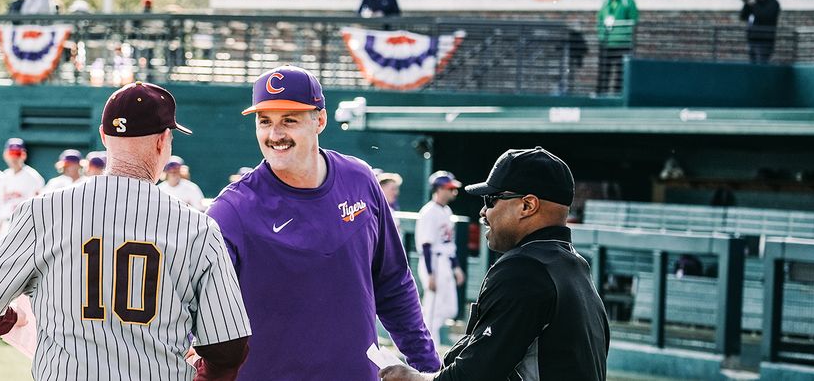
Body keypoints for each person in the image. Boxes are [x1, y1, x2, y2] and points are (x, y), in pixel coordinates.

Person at [0, 81, 252, 380]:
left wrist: (15, 320)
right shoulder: (197, 227)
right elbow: (228, 347)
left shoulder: (42, 211)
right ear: (163, 140)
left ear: (104, 136)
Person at [205, 66, 439, 379]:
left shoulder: (359, 179)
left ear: (320, 120)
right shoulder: (231, 211)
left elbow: (393, 283)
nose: (275, 135)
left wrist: (431, 368)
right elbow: (197, 310)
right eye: (265, 122)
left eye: (289, 120)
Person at [379, 147, 609, 381]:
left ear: (527, 206)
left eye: (491, 199)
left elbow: (472, 376)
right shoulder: (577, 266)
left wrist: (413, 379)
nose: (483, 211)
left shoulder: (524, 269)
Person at [416, 171, 465, 348]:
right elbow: (426, 245)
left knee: (449, 309)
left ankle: (429, 343)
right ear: (439, 189)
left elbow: (449, 244)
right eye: (449, 188)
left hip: (444, 261)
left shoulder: (446, 210)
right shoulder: (429, 211)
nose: (453, 191)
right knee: (432, 311)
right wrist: (430, 274)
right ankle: (427, 348)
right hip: (434, 262)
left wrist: (456, 267)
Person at [596, 0, 637, 95]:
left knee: (620, 73)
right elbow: (599, 19)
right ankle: (601, 95)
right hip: (606, 42)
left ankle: (617, 96)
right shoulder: (606, 1)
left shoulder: (627, 0)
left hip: (622, 43)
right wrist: (601, 35)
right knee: (604, 72)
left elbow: (633, 19)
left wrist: (622, 33)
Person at [0, 138, 45, 238]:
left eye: (17, 154)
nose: (14, 158)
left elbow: (38, 207)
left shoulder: (34, 177)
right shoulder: (4, 176)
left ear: (24, 155)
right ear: (5, 155)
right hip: (5, 224)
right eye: (11, 153)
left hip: (23, 225)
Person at [740, 0, 781, 64]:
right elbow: (743, 16)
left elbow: (764, 17)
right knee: (753, 64)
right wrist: (747, 4)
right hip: (753, 39)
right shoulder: (755, 3)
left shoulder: (773, 3)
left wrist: (754, 5)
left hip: (765, 40)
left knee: (762, 64)